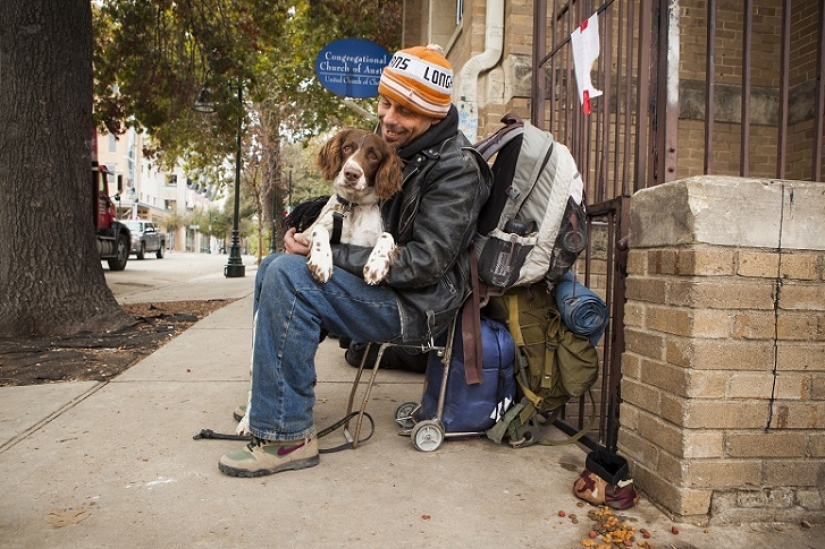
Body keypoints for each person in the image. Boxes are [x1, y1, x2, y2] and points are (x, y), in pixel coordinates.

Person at [218, 44, 492, 477]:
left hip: (417, 306)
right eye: (385, 103)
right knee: (274, 265)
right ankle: (269, 397)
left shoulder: (456, 168)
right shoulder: (405, 145)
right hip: (382, 285)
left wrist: (332, 253)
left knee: (290, 277)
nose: (388, 118)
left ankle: (287, 436)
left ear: (434, 115)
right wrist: (309, 224)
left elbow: (425, 263)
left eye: (405, 110)